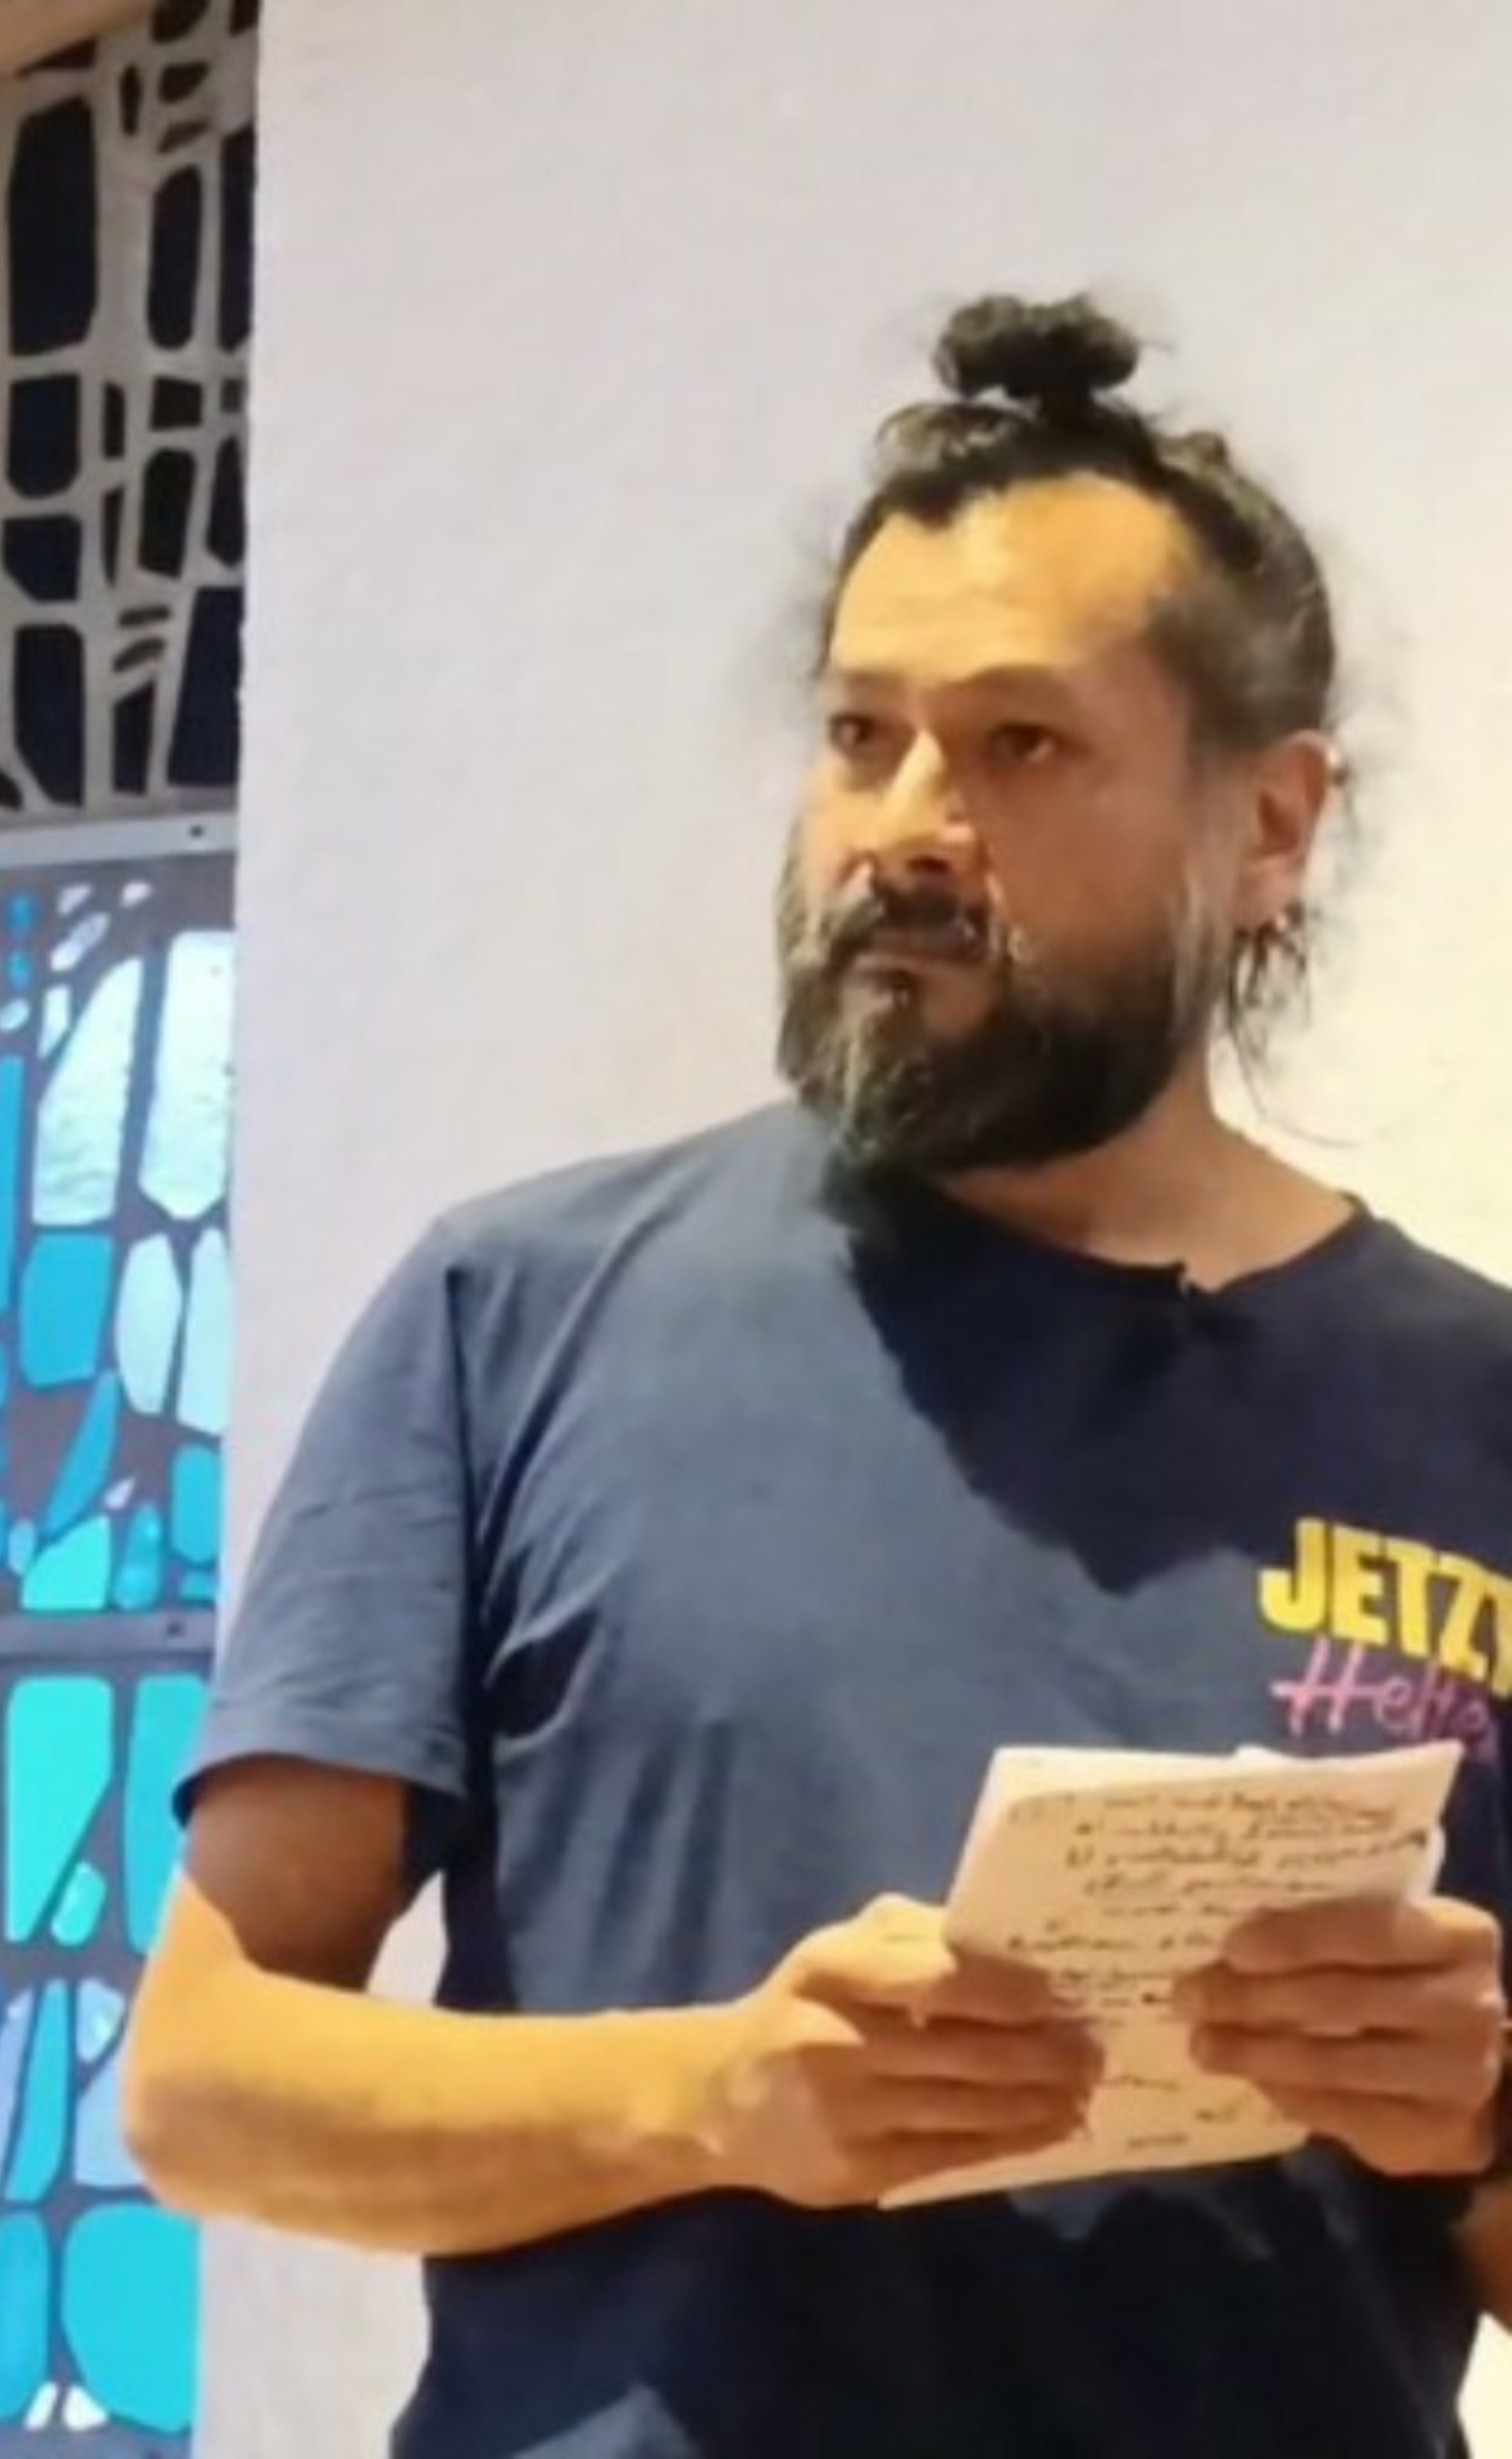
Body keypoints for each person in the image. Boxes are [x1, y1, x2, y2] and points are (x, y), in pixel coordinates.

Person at [124, 297, 1512, 2458]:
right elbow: (208, 2081)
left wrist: (1481, 2121)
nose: (908, 828)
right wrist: (712, 2099)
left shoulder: (1474, 1409)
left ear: (1270, 823)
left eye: (1021, 746)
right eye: (863, 737)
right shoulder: (523, 1313)